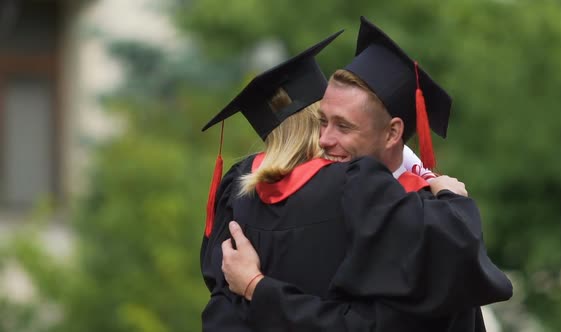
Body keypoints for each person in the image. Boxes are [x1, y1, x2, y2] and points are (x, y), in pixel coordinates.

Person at [202, 21, 512, 332]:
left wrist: (256, 287)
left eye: (344, 126)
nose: (325, 139)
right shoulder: (380, 197)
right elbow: (452, 257)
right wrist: (453, 203)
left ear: (393, 132)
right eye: (324, 121)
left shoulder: (241, 190)